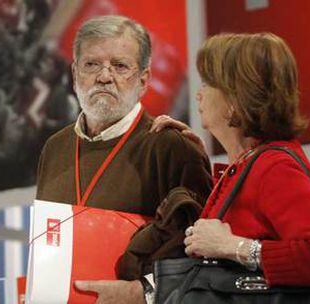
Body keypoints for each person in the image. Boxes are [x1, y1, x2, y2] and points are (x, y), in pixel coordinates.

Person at [35, 15, 213, 303]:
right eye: (92, 64)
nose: (104, 76)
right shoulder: (54, 149)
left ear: (144, 80)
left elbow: (205, 260)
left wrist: (142, 293)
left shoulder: (171, 146)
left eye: (120, 66)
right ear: (75, 73)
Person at [151, 32, 310, 292]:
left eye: (208, 83)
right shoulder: (250, 164)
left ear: (234, 99)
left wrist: (233, 247)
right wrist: (196, 157)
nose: (199, 94)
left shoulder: (275, 167)